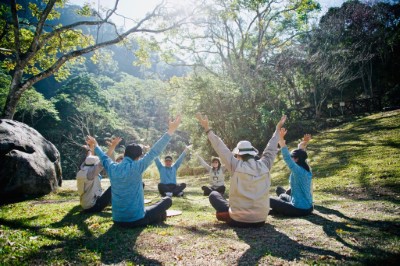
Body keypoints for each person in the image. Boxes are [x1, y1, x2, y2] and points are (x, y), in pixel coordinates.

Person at [86, 115, 182, 228]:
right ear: (138, 157)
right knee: (167, 200)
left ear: (125, 154)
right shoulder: (137, 166)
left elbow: (104, 157)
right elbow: (154, 152)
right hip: (136, 219)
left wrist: (96, 145)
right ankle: (159, 216)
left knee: (153, 208)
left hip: (117, 220)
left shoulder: (112, 168)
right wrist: (170, 131)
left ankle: (158, 216)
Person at [196, 113, 287, 227]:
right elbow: (271, 148)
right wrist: (277, 130)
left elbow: (220, 147)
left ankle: (226, 214)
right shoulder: (265, 164)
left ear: (238, 155)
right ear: (252, 153)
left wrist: (207, 128)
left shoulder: (235, 165)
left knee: (213, 194)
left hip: (238, 219)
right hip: (261, 219)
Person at [269, 129, 313, 217]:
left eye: (292, 157)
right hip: (308, 207)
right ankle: (278, 210)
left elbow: (286, 157)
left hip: (299, 209)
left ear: (296, 159)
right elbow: (301, 153)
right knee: (281, 194)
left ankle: (278, 210)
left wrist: (281, 140)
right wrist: (303, 143)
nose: (291, 158)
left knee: (268, 200)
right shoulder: (305, 167)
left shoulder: (298, 170)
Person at [77, 137, 121, 213]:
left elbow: (89, 157)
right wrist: (113, 145)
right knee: (115, 187)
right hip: (93, 206)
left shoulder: (83, 169)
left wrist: (90, 148)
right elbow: (105, 158)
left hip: (85, 204)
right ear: (94, 165)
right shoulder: (91, 172)